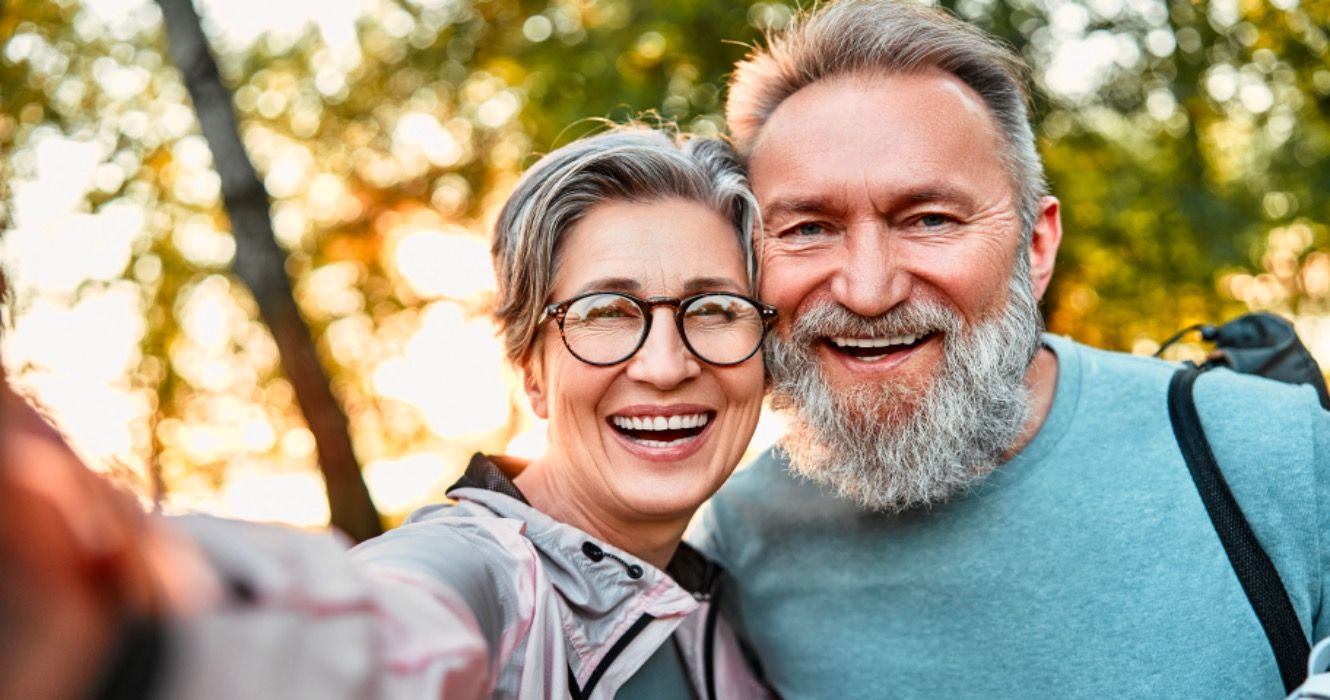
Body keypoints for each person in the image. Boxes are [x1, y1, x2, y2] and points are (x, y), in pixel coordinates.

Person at [693, 1, 1330, 698]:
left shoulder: (1279, 457)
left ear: (1037, 245)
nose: (868, 291)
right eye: (809, 228)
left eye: (930, 219)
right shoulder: (737, 541)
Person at [0, 127, 775, 699]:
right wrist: (138, 617)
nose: (669, 364)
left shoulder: (722, 596)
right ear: (531, 370)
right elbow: (388, 628)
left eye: (715, 309)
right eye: (607, 311)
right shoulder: (484, 575)